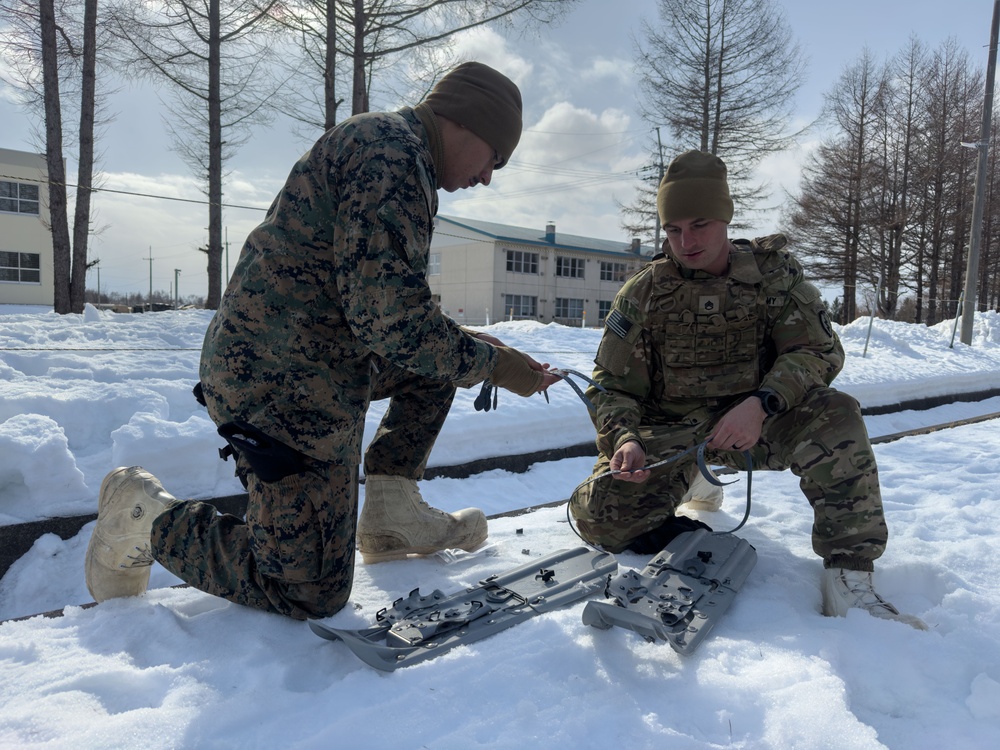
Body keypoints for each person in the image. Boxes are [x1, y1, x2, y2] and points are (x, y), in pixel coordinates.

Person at [85, 61, 560, 620]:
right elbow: (392, 321)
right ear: (467, 123)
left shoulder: (398, 151)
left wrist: (477, 350)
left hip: (316, 360)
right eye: (495, 159)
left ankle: (390, 510)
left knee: (439, 363)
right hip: (279, 383)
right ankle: (147, 517)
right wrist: (497, 366)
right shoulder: (393, 155)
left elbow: (387, 303)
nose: (487, 177)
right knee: (309, 591)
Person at [569, 150, 926, 629]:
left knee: (836, 417)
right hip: (672, 434)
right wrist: (625, 439)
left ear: (725, 218)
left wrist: (762, 402)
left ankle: (848, 580)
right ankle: (690, 478)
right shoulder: (643, 293)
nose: (686, 241)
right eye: (673, 229)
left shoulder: (773, 276)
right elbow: (610, 384)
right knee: (599, 518)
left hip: (759, 424)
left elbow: (819, 352)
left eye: (699, 224)